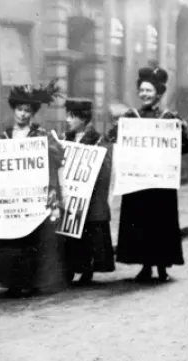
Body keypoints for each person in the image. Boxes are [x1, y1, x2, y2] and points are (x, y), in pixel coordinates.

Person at [0, 80, 70, 297]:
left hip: (33, 197)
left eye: (27, 111)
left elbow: (58, 158)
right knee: (10, 239)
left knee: (31, 238)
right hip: (11, 197)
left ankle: (31, 280)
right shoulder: (3, 137)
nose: (22, 114)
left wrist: (47, 147)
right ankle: (10, 280)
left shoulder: (41, 136)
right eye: (20, 109)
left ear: (33, 113)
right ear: (14, 110)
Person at [107, 66, 188, 282]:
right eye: (142, 90)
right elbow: (112, 138)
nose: (144, 94)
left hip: (161, 182)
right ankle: (146, 265)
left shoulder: (170, 118)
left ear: (158, 93)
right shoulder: (130, 117)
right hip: (137, 181)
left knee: (161, 222)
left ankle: (163, 265)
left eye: (149, 90)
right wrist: (119, 131)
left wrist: (176, 138)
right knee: (140, 222)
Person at [61, 97, 115, 284]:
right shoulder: (64, 138)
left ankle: (86, 269)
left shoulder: (98, 140)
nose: (68, 120)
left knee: (87, 234)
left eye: (72, 117)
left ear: (83, 119)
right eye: (67, 115)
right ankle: (68, 268)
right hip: (70, 195)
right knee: (68, 233)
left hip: (89, 197)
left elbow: (104, 168)